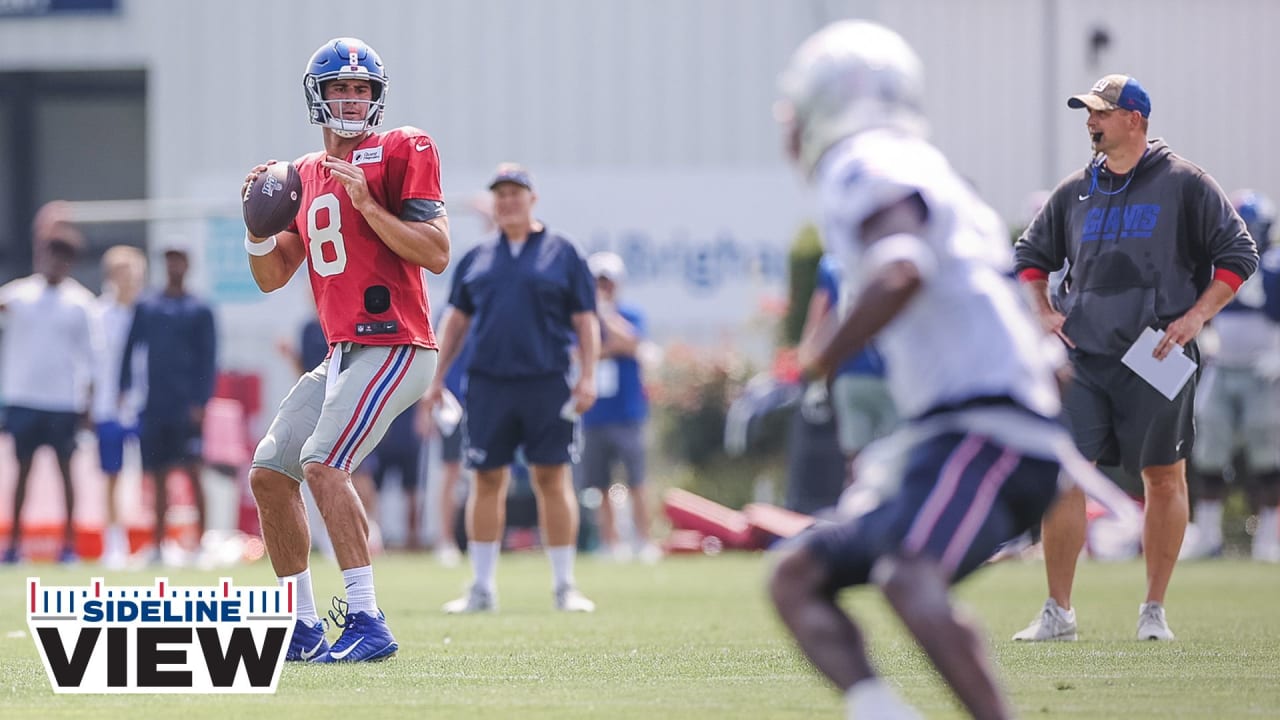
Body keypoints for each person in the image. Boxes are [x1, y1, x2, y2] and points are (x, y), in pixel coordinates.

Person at [767, 21, 1137, 719]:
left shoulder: (863, 162)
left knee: (908, 577)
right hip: (964, 429)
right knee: (797, 574)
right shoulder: (921, 165)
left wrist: (820, 357)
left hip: (987, 428)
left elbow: (900, 268)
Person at [1012, 75, 1258, 641]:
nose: (1090, 120)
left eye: (1101, 111)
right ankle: (1058, 612)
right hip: (1085, 355)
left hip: (1158, 351)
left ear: (1135, 120)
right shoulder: (1075, 190)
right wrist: (1042, 312)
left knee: (1163, 477)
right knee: (1066, 477)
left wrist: (1198, 316)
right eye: (1087, 112)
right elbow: (1029, 256)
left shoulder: (1185, 183)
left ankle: (1153, 611)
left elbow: (1238, 254)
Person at [240, 37, 449, 663]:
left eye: (362, 89)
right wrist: (254, 230)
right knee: (270, 475)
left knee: (323, 462)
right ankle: (301, 627)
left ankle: (365, 618)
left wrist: (367, 205)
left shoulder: (403, 147)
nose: (352, 99)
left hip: (397, 343)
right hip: (341, 353)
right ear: (319, 95)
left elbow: (435, 252)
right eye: (340, 88)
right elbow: (274, 275)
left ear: (376, 97)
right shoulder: (302, 174)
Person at [426, 163, 600, 614]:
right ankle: (481, 588)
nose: (508, 201)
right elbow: (456, 322)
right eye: (500, 194)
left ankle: (565, 586)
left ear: (532, 198)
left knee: (552, 477)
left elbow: (586, 321)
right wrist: (437, 377)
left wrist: (588, 376)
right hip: (488, 384)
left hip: (547, 382)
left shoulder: (563, 253)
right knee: (486, 479)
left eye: (515, 193)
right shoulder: (477, 258)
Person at [1184, 190, 1280, 562]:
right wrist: (1205, 339)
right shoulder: (1216, 264)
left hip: (1264, 372)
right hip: (1221, 367)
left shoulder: (1274, 267)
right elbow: (1204, 312)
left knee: (1267, 453)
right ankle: (1208, 536)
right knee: (1208, 448)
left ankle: (1268, 540)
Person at [0, 205, 96, 564]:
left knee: (66, 474)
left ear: (68, 263)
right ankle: (12, 547)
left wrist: (87, 405)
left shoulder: (80, 302)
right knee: (21, 473)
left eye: (61, 258)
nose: (53, 263)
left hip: (62, 402)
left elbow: (92, 360)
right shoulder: (20, 294)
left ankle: (68, 547)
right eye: (49, 255)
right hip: (24, 398)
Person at [579, 251, 660, 563]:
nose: (603, 288)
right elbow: (577, 353)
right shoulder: (582, 318)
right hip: (596, 413)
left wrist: (604, 318)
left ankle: (644, 540)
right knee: (599, 484)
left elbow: (632, 342)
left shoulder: (629, 314)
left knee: (637, 480)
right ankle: (610, 542)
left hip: (627, 413)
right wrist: (607, 347)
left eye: (607, 283)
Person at [798, 253, 897, 485]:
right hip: (889, 375)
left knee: (855, 460)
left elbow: (818, 322)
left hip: (849, 374)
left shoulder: (832, 264)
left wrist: (811, 370)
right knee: (897, 457)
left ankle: (857, 511)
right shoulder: (887, 256)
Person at [92, 245, 147, 568]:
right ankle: (114, 542)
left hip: (142, 405)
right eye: (124, 274)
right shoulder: (98, 314)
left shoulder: (148, 312)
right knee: (112, 474)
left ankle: (154, 540)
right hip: (107, 405)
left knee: (149, 474)